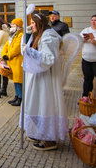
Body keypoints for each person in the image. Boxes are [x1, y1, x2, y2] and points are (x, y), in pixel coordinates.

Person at [21, 13, 67, 151]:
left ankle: (49, 139)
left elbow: (49, 58)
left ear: (40, 23)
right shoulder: (40, 34)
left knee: (44, 105)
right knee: (34, 104)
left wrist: (30, 52)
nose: (31, 26)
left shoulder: (49, 36)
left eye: (33, 23)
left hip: (46, 79)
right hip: (36, 76)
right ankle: (37, 132)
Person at [2, 18, 24, 106]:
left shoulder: (21, 35)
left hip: (18, 61)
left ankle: (20, 98)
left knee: (19, 80)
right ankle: (16, 96)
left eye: (14, 25)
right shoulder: (12, 35)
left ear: (18, 26)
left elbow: (17, 48)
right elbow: (6, 45)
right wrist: (4, 54)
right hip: (12, 61)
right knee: (15, 80)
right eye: (12, 24)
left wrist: (8, 55)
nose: (11, 26)